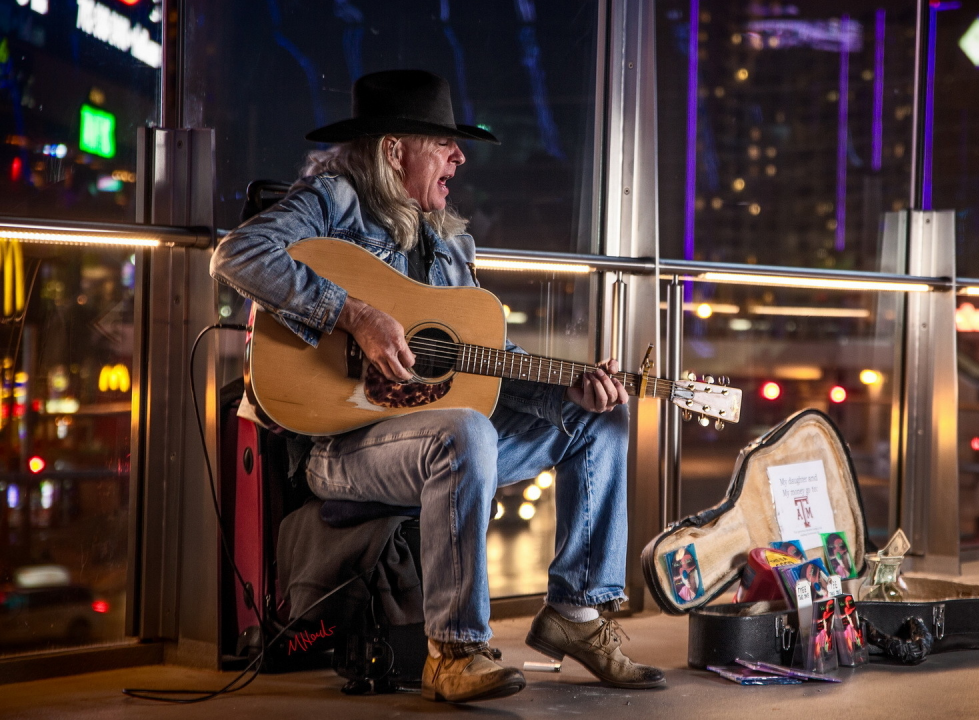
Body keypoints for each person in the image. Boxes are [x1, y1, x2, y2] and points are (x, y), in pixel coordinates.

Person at [210, 70, 664, 703]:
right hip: (341, 451)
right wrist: (354, 314)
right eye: (442, 143)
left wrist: (569, 393)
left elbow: (489, 366)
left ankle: (578, 614)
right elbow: (238, 253)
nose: (460, 156)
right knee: (466, 430)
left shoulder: (452, 246)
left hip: (442, 442)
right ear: (394, 149)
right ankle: (454, 652)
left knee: (600, 422)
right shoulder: (336, 199)